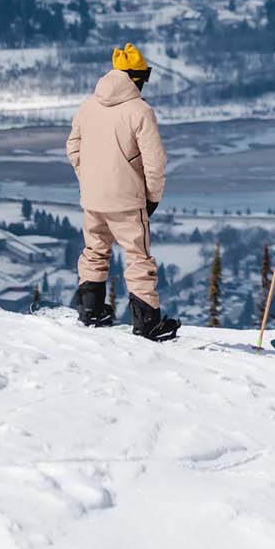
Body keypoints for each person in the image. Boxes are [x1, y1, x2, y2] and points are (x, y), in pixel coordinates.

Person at [66, 42, 180, 341]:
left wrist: (88, 178)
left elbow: (73, 147)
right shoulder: (139, 110)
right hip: (127, 199)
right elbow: (155, 161)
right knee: (138, 258)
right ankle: (147, 323)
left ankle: (90, 311)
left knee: (94, 250)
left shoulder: (88, 105)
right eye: (144, 77)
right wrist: (152, 196)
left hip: (92, 197)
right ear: (135, 77)